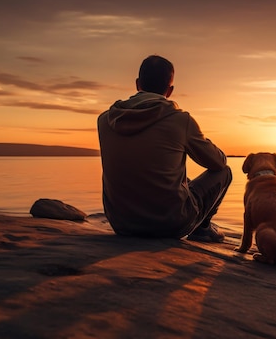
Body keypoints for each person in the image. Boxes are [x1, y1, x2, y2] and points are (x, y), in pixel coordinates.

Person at [97, 55, 232, 242]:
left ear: (137, 84)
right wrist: (199, 139)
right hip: (169, 225)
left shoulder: (105, 120)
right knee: (224, 172)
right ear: (169, 90)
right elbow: (217, 163)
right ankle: (202, 228)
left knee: (181, 178)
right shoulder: (180, 120)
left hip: (121, 224)